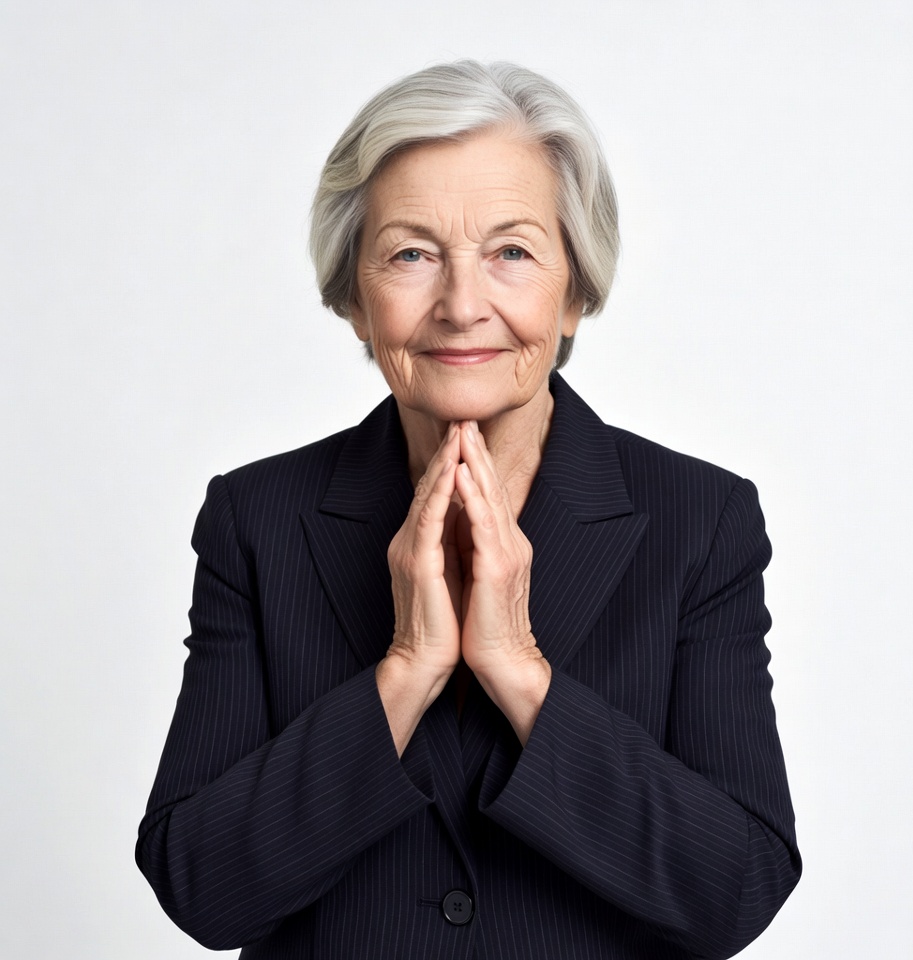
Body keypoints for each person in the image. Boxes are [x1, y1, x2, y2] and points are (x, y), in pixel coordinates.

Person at [136, 60, 801, 959]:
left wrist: (521, 674)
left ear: (575, 290)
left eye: (512, 253)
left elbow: (736, 891)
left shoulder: (700, 522)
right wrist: (404, 671)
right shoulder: (257, 519)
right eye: (411, 254)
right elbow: (202, 890)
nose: (460, 306)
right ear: (352, 298)